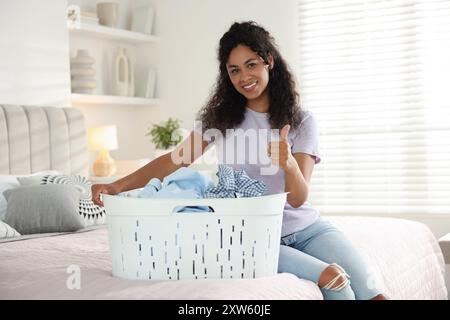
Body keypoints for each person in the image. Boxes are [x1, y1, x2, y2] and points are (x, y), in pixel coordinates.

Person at [92, 21, 387, 300]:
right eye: (234, 70)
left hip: (308, 229)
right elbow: (173, 160)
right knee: (336, 280)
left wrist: (289, 165)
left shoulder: (301, 120)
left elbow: (298, 199)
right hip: (254, 234)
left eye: (251, 65)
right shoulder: (219, 120)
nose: (244, 77)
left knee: (374, 292)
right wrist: (116, 186)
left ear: (268, 61)